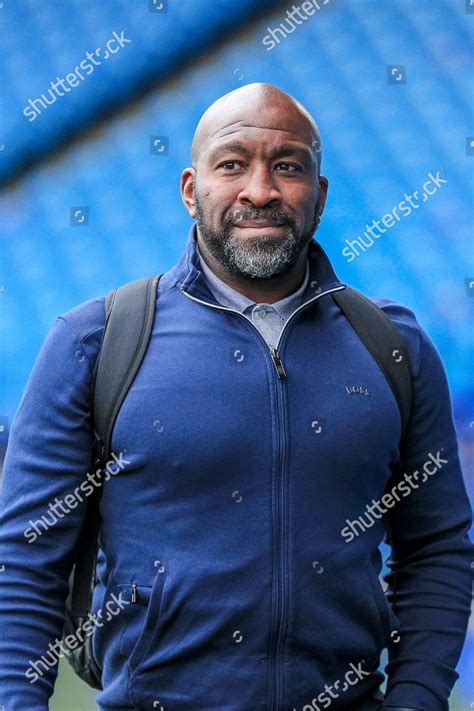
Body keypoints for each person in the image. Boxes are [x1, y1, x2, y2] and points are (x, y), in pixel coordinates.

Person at [0, 82, 472, 711]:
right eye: (232, 164)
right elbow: (26, 563)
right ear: (191, 191)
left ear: (319, 196)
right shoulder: (97, 339)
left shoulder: (393, 344)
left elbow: (437, 547)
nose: (260, 190)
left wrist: (415, 700)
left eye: (287, 166)